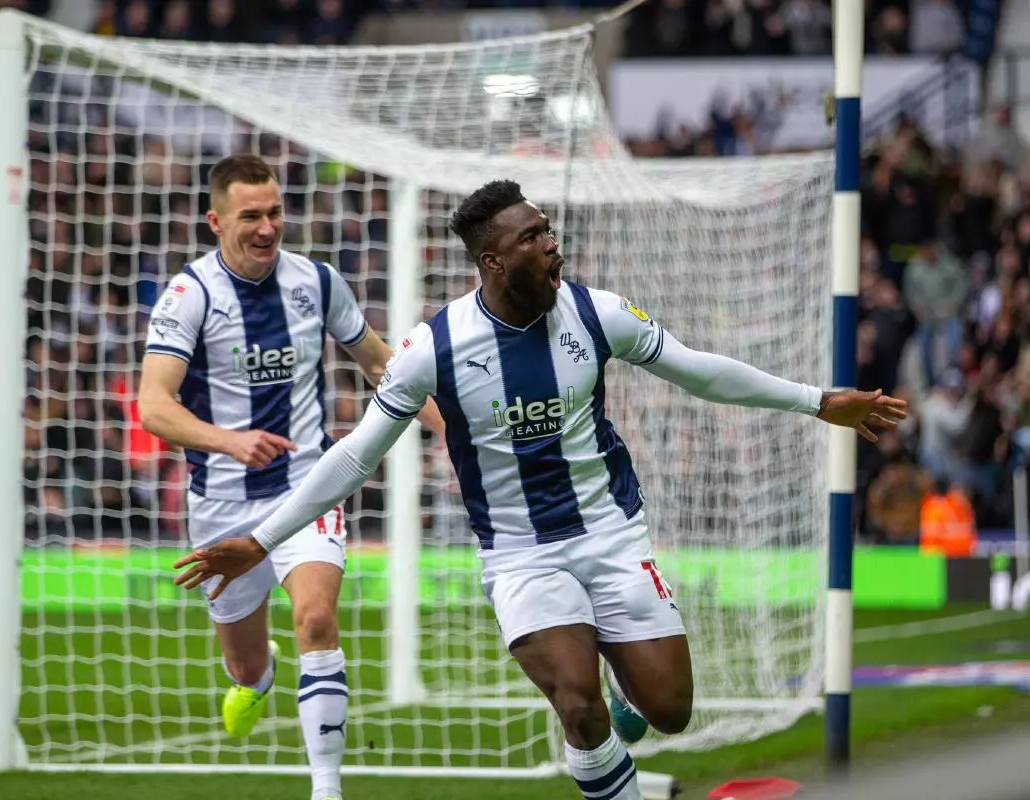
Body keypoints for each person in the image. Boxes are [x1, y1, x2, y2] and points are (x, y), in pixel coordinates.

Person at [171, 179, 906, 800]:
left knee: (671, 710)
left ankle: (621, 706)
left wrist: (816, 400)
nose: (552, 244)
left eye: (549, 230)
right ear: (492, 261)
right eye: (533, 238)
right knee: (578, 706)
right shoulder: (436, 348)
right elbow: (357, 455)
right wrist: (260, 541)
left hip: (611, 535)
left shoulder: (597, 313)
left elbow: (700, 369)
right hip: (522, 556)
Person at [137, 154, 443, 800]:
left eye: (275, 212)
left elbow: (381, 363)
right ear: (215, 220)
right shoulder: (188, 297)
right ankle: (257, 678)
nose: (268, 228)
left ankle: (325, 790)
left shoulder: (318, 284)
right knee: (244, 665)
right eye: (251, 215)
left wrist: (452, 436)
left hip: (308, 485)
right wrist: (229, 440)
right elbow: (154, 406)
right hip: (222, 503)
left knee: (316, 620)